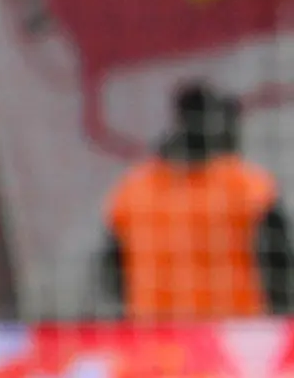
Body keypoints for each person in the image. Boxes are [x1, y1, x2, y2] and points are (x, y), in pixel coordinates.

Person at [100, 82, 294, 318]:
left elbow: (112, 276)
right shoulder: (249, 187)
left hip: (154, 336)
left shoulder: (133, 189)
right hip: (233, 335)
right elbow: (281, 270)